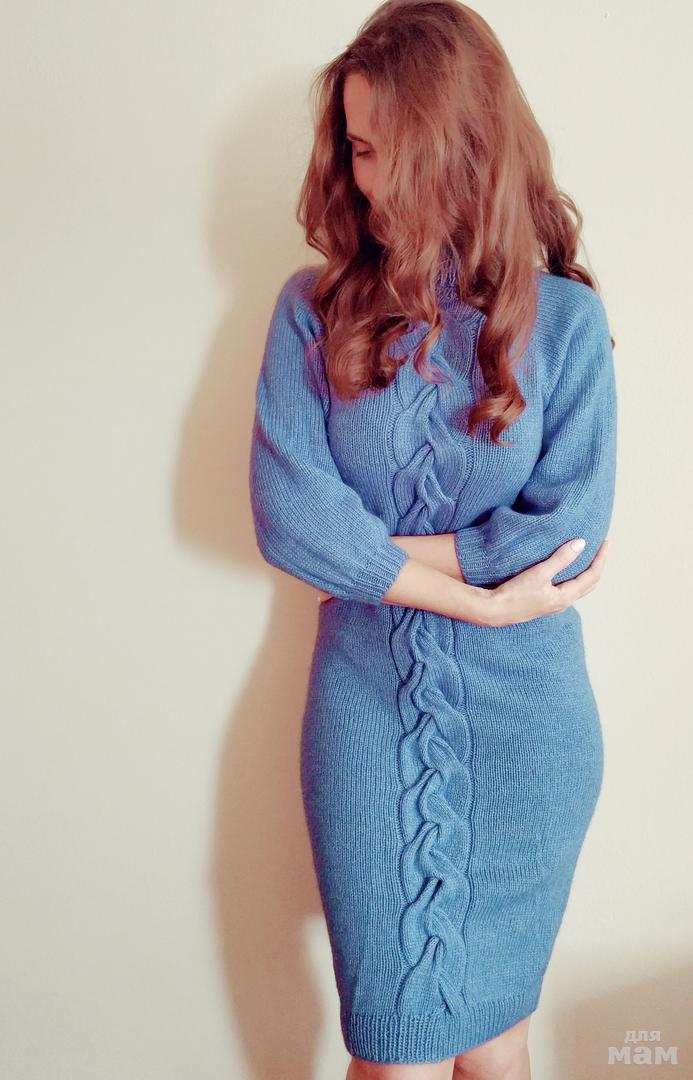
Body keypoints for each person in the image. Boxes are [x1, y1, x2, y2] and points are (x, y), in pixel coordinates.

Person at [249, 2, 617, 1077]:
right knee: (391, 1053)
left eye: (392, 150)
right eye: (357, 148)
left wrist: (373, 556)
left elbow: (568, 531)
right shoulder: (313, 310)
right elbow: (289, 518)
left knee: (500, 1044)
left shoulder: (563, 322)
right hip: (365, 708)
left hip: (528, 728)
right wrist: (478, 595)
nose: (371, 180)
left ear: (466, 145)